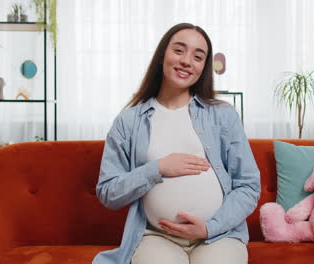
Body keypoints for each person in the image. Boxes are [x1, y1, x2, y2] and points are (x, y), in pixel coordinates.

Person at [93, 23, 260, 264]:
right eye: (179, 50)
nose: (186, 61)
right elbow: (108, 192)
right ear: (163, 55)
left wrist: (209, 227)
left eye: (198, 56)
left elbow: (248, 186)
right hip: (157, 237)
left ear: (203, 68)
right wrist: (157, 168)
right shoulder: (129, 121)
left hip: (218, 236)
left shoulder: (223, 115)